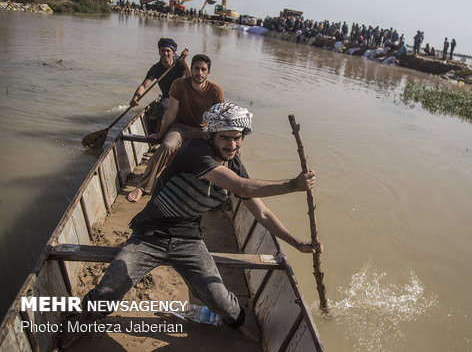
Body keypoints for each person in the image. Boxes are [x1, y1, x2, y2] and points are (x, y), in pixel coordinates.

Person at [59, 103, 322, 349]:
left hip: (188, 239)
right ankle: (83, 316)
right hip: (150, 234)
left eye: (237, 137)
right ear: (212, 136)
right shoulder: (196, 151)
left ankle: (240, 320)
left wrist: (296, 243)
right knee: (110, 288)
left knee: (221, 301)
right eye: (225, 138)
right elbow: (240, 187)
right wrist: (292, 185)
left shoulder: (236, 166)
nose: (232, 145)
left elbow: (262, 214)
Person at [126, 54, 225, 202]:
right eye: (196, 68)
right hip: (180, 127)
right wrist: (161, 133)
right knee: (166, 145)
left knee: (214, 155)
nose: (199, 73)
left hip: (203, 131)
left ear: (208, 72)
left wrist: (222, 142)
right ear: (191, 69)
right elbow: (171, 112)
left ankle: (209, 192)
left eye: (203, 69)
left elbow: (220, 119)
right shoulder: (179, 85)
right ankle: (142, 186)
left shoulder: (215, 91)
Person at [131, 38, 191, 113]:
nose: (165, 53)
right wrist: (136, 97)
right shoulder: (155, 69)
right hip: (168, 97)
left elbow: (190, 78)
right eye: (163, 50)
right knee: (164, 107)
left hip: (184, 96)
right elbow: (144, 86)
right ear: (159, 52)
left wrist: (184, 59)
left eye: (168, 51)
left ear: (174, 53)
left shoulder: (180, 63)